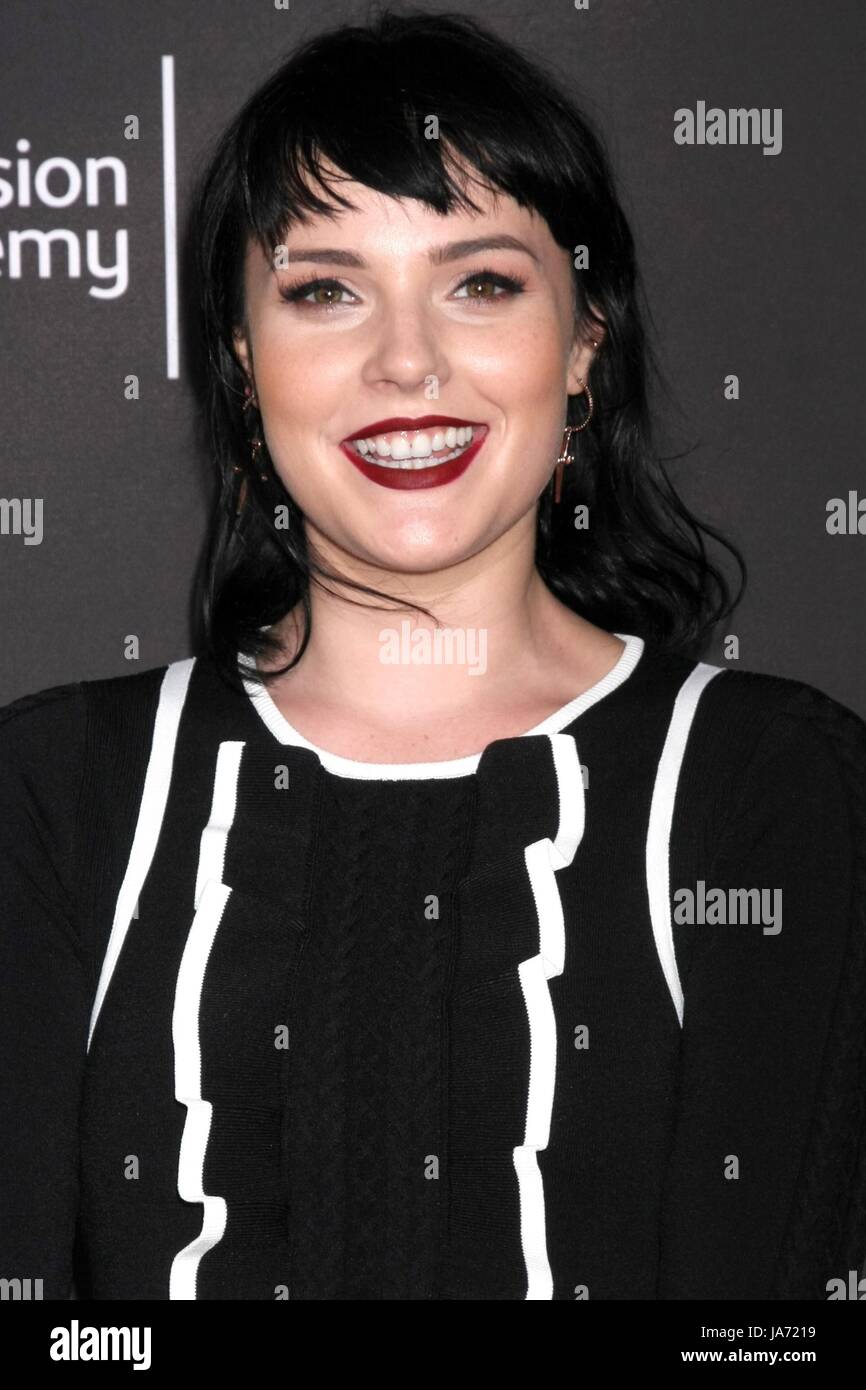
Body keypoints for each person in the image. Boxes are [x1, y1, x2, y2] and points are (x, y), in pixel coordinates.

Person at [1, 9, 864, 1302]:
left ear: (582, 346)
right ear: (241, 366)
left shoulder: (771, 792)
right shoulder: (57, 794)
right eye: (324, 289)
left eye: (480, 282)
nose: (405, 362)